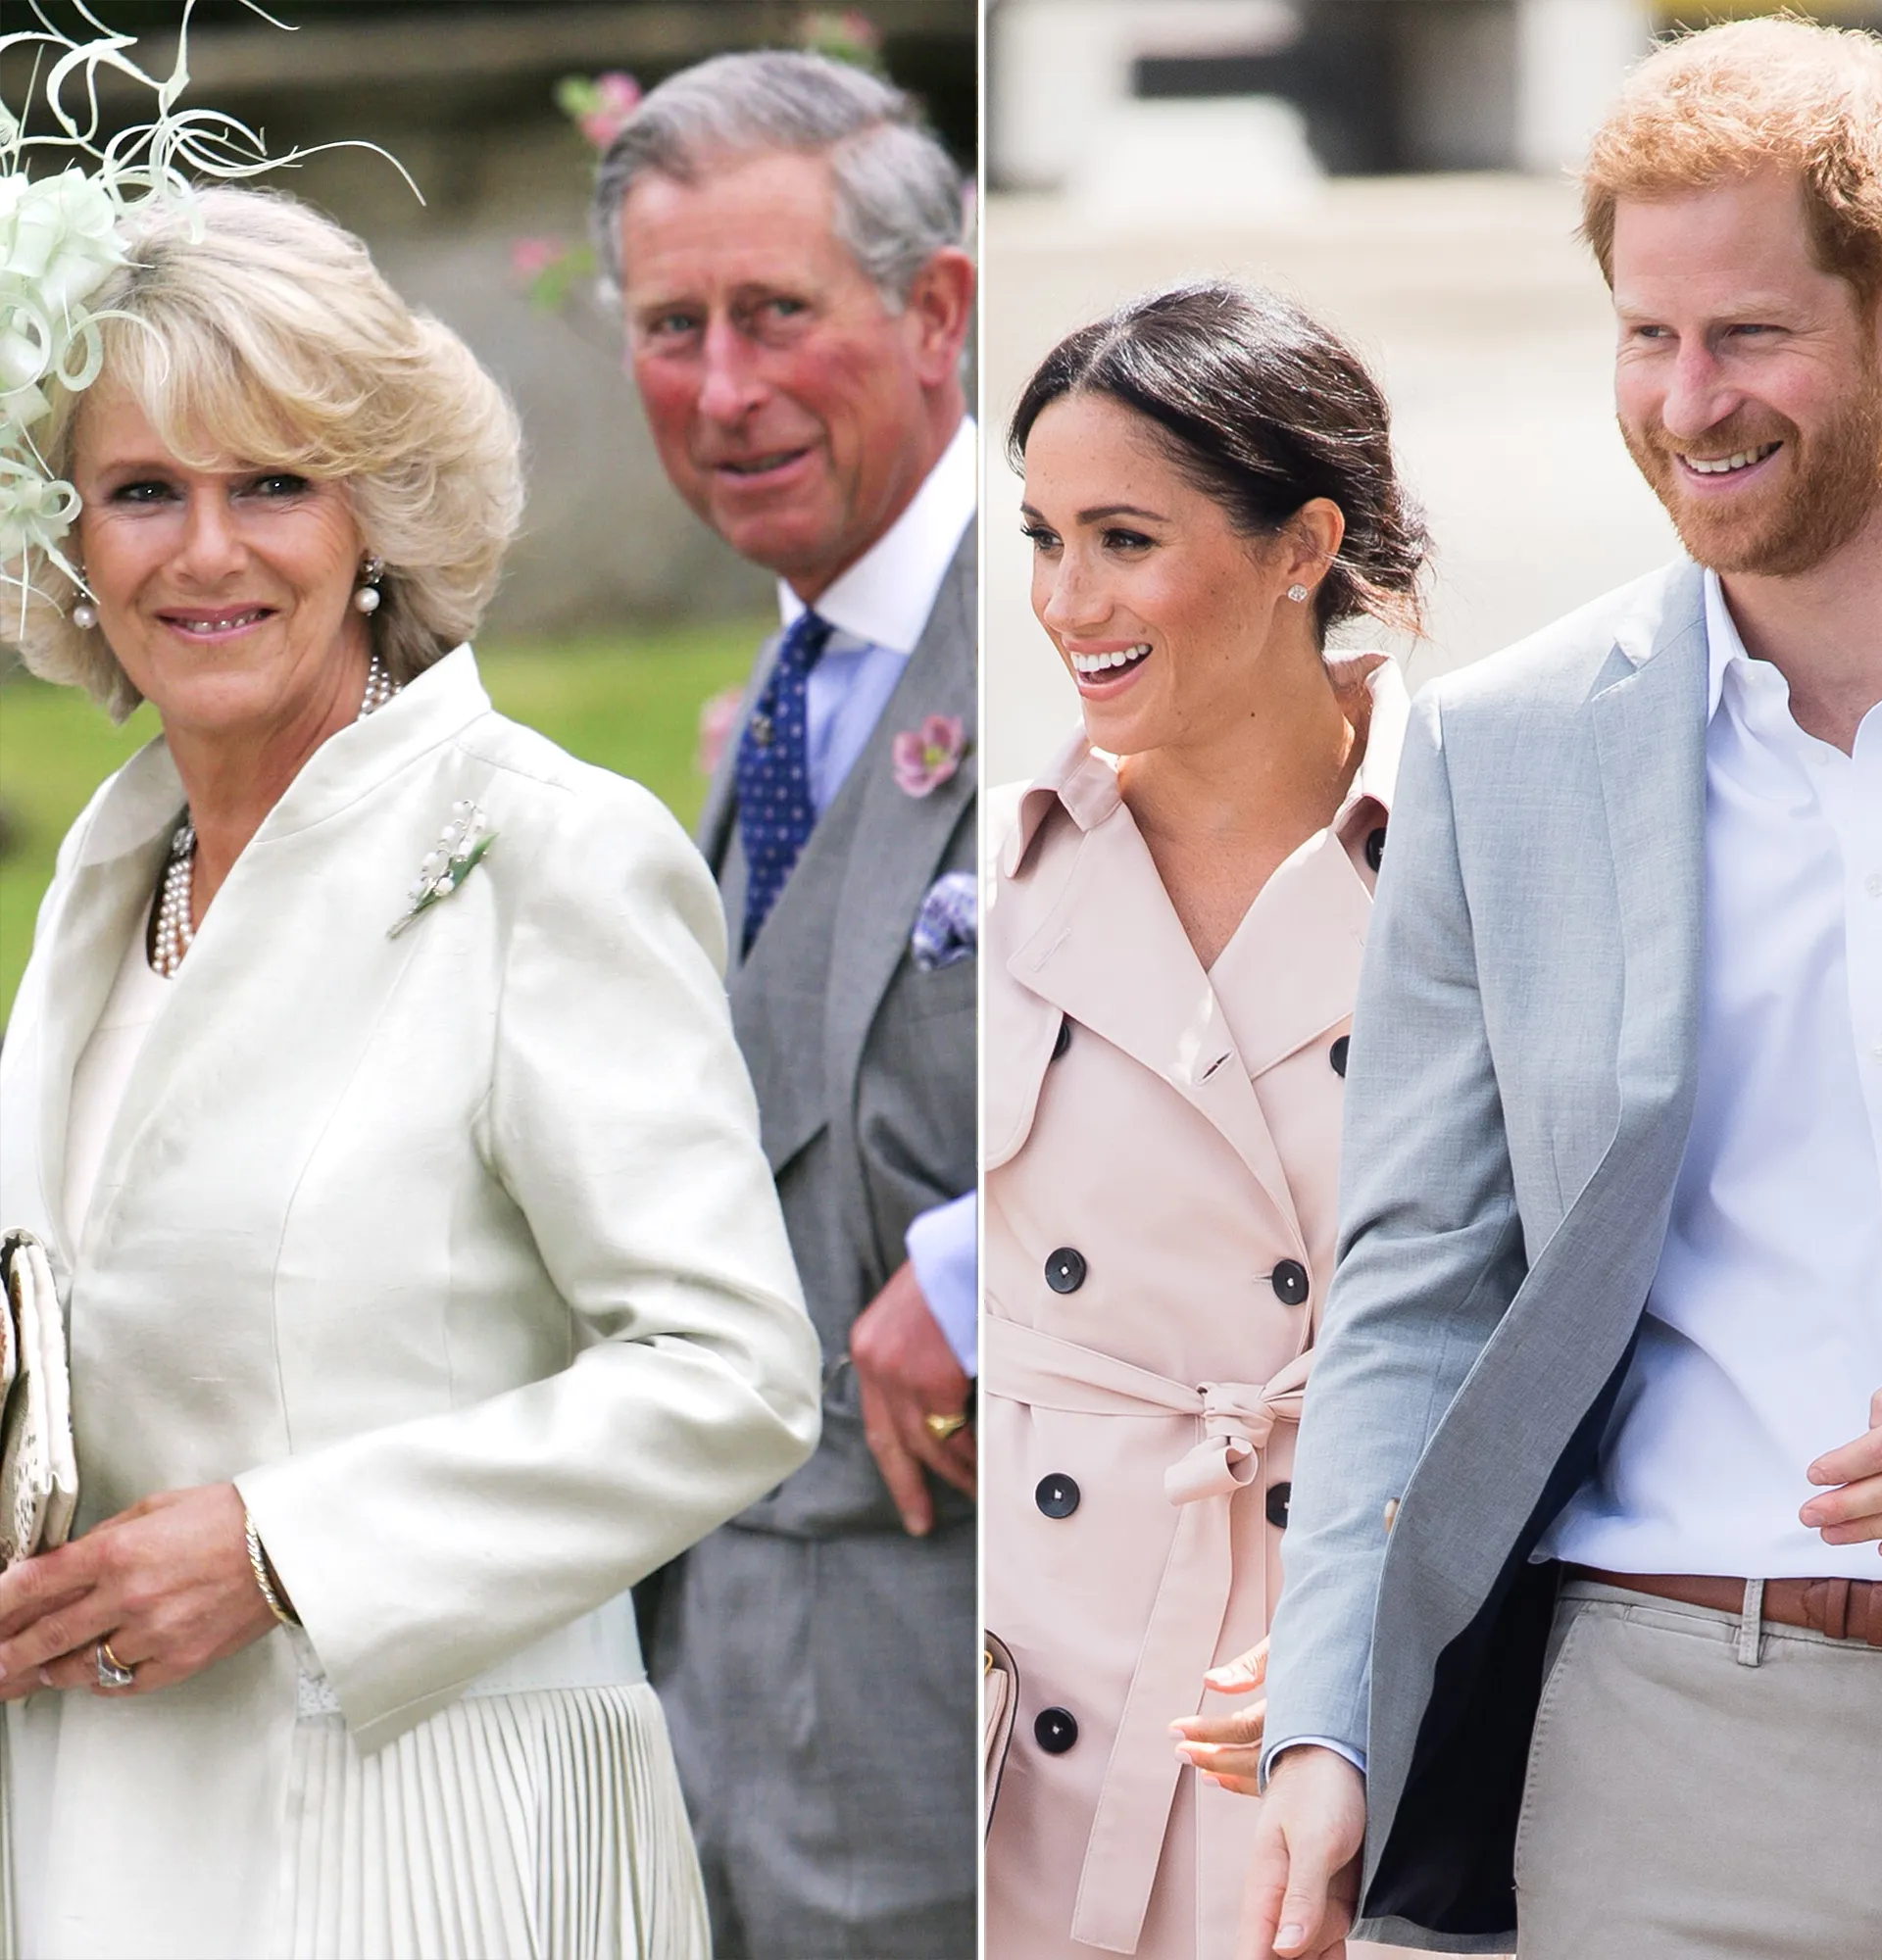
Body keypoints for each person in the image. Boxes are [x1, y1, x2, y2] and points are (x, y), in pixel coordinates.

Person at [0, 185, 821, 1960]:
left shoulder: (545, 852)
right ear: (71, 540)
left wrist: (288, 1548)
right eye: (145, 491)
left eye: (271, 485)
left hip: (430, 1835)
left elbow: (732, 1375)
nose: (204, 552)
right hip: (96, 1822)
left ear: (376, 511)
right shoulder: (102, 878)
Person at [1242, 20, 1882, 1959]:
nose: (1684, 401)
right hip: (1674, 1754)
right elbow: (1411, 1286)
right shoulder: (1509, 753)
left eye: (1745, 336)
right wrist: (1328, 1719)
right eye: (1644, 337)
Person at [984, 282, 1427, 1960]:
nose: (1063, 601)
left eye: (1121, 540)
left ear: (1302, 544)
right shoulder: (998, 881)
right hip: (1036, 1712)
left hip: (1341, 1690)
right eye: (1040, 537)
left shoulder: (1480, 855)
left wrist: (1382, 1641)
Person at [591, 50, 979, 1959]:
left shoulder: (1094, 611)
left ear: (938, 313)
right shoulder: (769, 711)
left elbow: (1341, 1039)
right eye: (674, 327)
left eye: (774, 316)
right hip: (716, 1695)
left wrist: (1007, 1258)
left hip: (977, 1694)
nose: (723, 390)